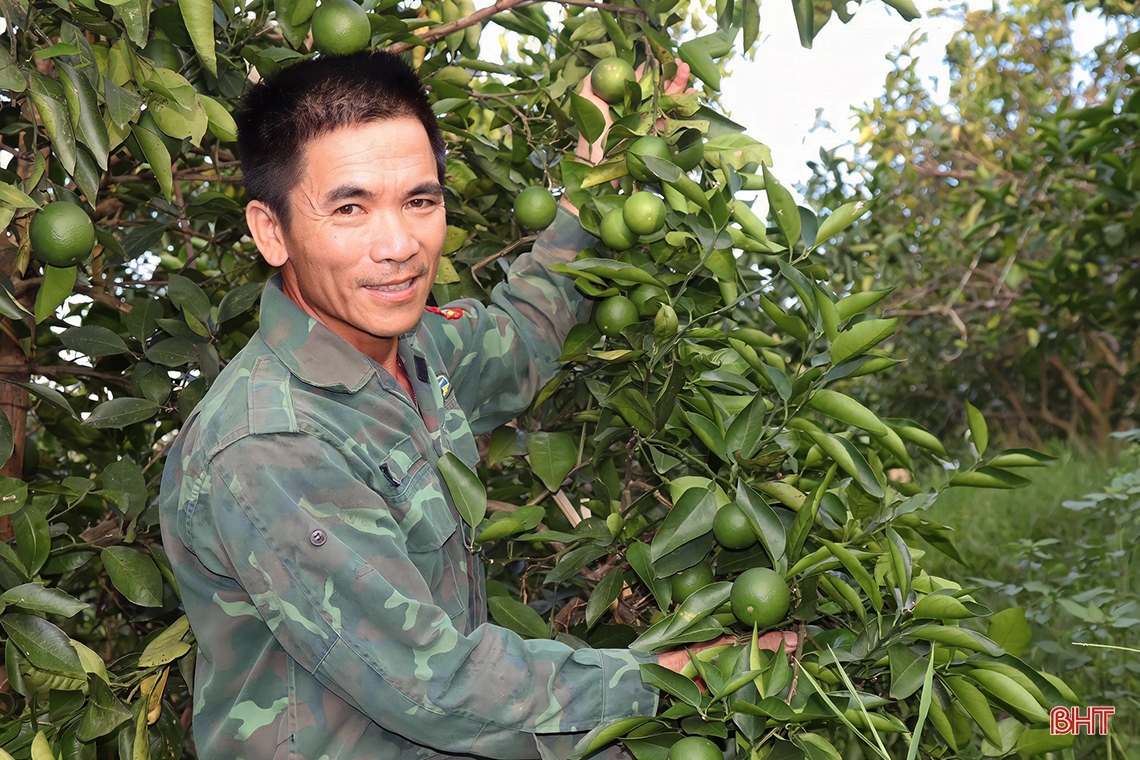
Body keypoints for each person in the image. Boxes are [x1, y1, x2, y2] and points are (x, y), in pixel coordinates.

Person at [158, 50, 794, 760]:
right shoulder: (270, 442)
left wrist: (589, 184)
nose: (398, 246)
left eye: (420, 201)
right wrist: (686, 677)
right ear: (270, 231)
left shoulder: (418, 348)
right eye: (350, 208)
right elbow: (435, 686)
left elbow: (524, 334)